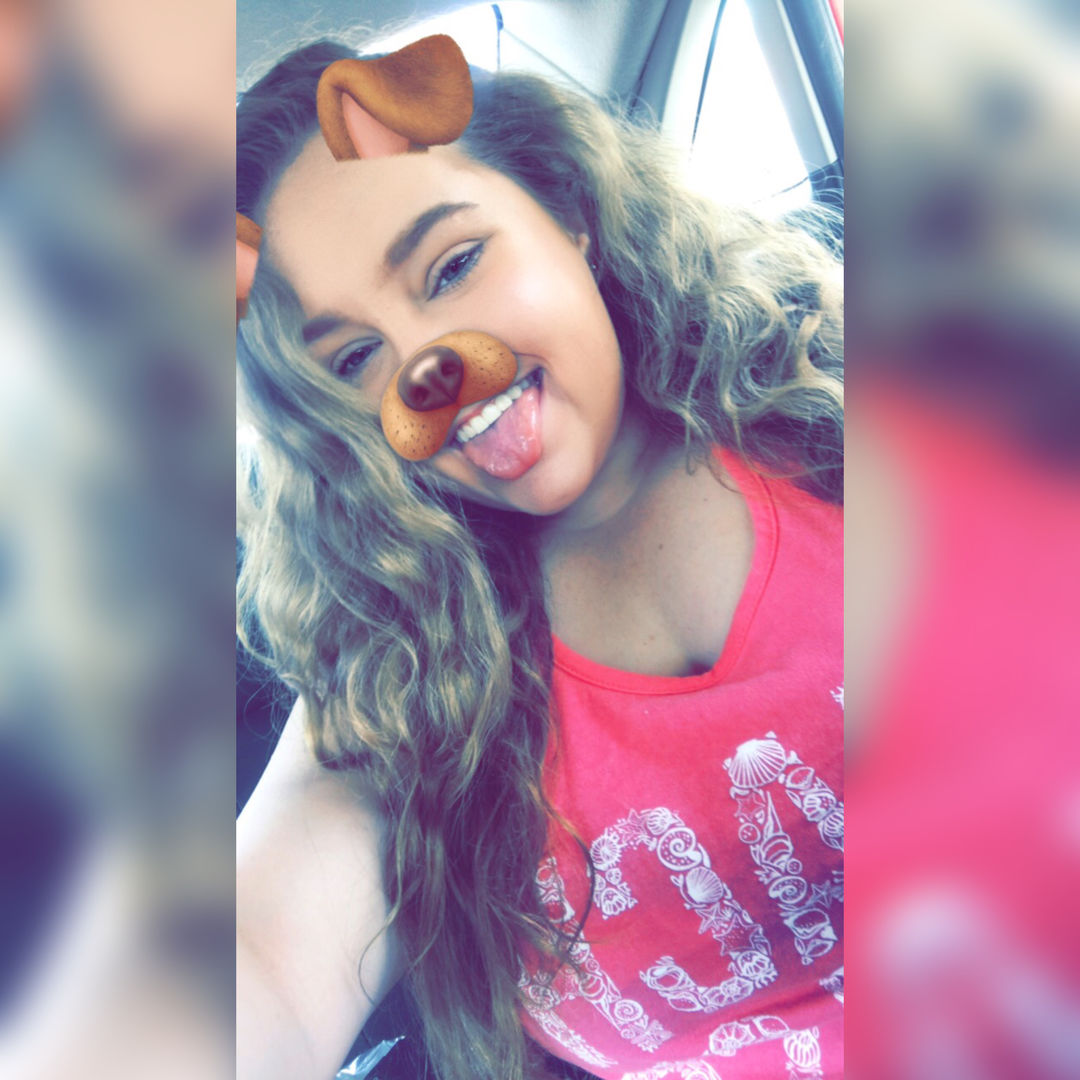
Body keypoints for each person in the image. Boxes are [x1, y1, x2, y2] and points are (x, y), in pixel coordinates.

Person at [236, 37, 843, 1080]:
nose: (427, 369)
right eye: (355, 357)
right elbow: (261, 970)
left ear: (568, 211)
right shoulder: (399, 674)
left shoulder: (851, 412)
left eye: (453, 266)